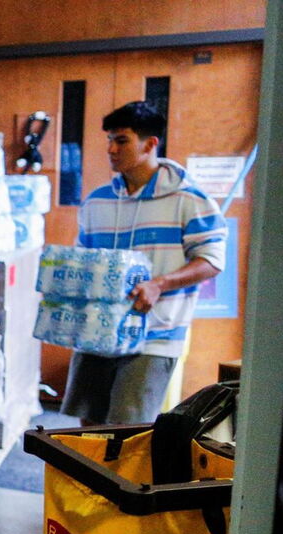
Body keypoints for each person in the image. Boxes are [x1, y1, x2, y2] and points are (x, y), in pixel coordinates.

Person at [59, 101, 227, 425]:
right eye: (109, 139)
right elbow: (84, 263)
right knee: (86, 430)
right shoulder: (97, 202)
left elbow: (211, 261)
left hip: (155, 335)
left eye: (121, 140)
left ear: (150, 144)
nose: (111, 148)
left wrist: (159, 284)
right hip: (96, 333)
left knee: (127, 431)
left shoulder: (189, 200)